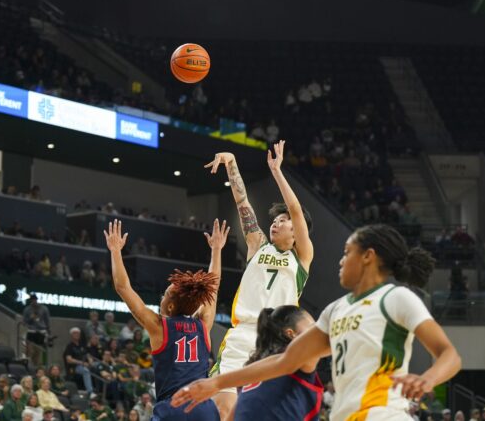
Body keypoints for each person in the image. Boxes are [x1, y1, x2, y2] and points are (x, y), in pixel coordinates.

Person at [172, 224, 462, 421]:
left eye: (347, 253)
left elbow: (449, 356)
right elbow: (285, 361)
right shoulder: (335, 310)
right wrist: (216, 382)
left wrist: (428, 380)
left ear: (368, 257)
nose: (340, 261)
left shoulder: (396, 298)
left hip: (384, 413)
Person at [203, 141, 314, 418]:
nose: (276, 222)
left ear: (296, 230)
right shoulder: (258, 245)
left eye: (283, 220)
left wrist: (276, 171)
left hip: (276, 341)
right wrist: (231, 163)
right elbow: (242, 202)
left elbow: (297, 209)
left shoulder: (301, 257)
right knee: (224, 409)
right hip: (242, 334)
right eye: (275, 220)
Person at [104, 218, 229, 420]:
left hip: (173, 407)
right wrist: (216, 250)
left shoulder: (159, 326)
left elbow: (122, 287)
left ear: (169, 306)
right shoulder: (203, 324)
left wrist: (116, 251)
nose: (162, 297)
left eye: (165, 294)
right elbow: (212, 287)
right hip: (203, 409)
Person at [231, 305, 322, 421]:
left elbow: (232, 416)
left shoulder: (256, 368)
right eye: (312, 327)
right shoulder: (300, 360)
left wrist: (217, 383)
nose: (318, 330)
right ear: (291, 333)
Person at [62, 328, 93, 395]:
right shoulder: (69, 346)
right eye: (75, 333)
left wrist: (90, 360)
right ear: (71, 335)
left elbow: (87, 353)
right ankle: (90, 391)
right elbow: (69, 359)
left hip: (83, 365)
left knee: (95, 367)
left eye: (78, 333)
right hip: (74, 367)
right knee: (85, 371)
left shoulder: (81, 345)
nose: (77, 335)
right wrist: (81, 363)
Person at [22, 294, 51, 367]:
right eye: (32, 300)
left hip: (41, 331)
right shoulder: (27, 309)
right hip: (31, 331)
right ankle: (27, 363)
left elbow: (47, 320)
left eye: (35, 300)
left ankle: (35, 366)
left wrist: (48, 329)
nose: (34, 302)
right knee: (29, 350)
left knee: (38, 351)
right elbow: (24, 322)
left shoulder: (44, 308)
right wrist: (31, 318)